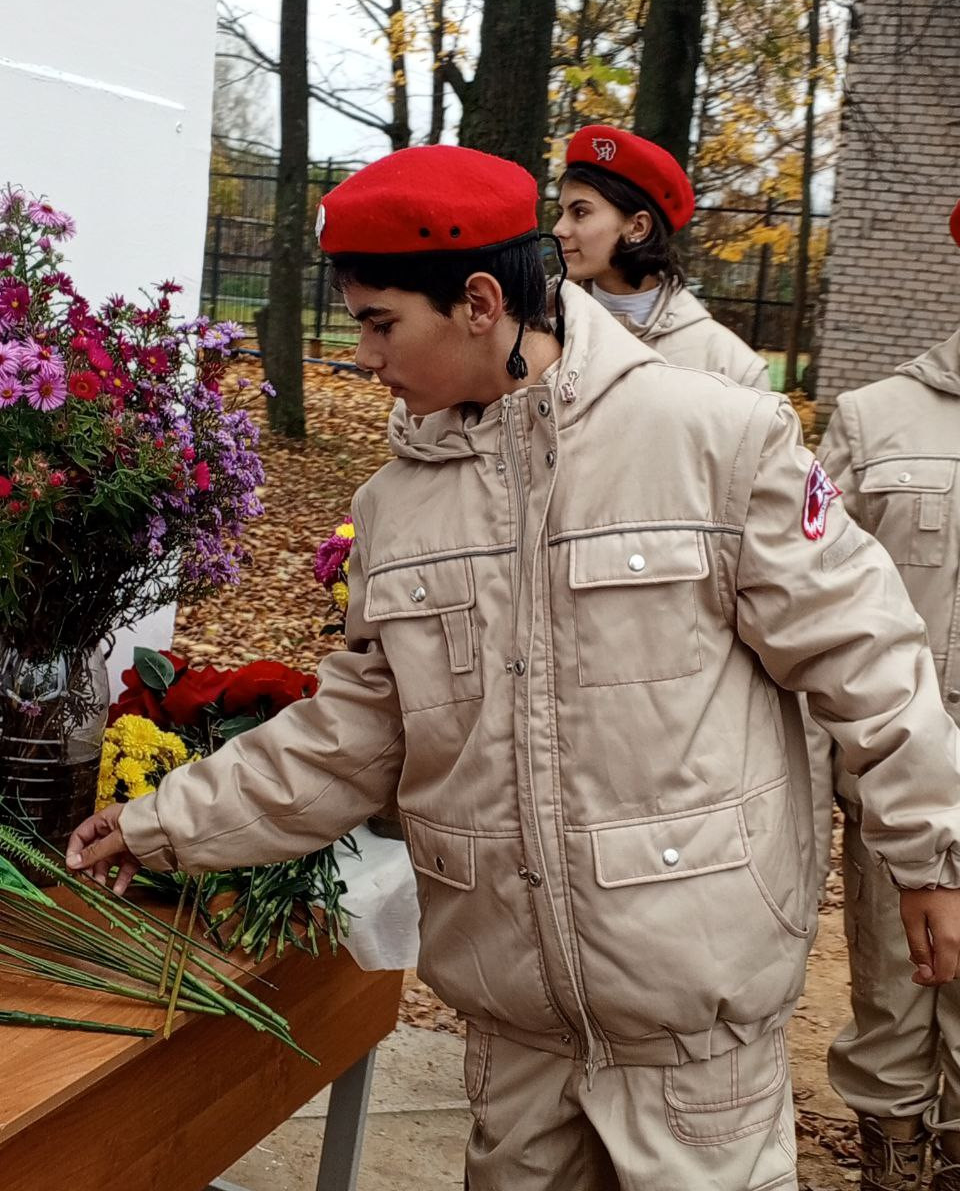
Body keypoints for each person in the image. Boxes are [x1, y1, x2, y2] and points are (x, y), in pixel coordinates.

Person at [68, 147, 960, 1191]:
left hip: (695, 1038)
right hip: (514, 1031)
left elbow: (868, 654)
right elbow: (354, 732)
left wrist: (932, 856)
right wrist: (161, 823)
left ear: (482, 301)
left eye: (380, 322)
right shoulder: (394, 508)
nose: (363, 356)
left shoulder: (714, 436)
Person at [809, 199, 960, 1191]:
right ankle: (895, 1159)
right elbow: (809, 597)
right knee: (899, 1003)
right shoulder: (877, 416)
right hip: (904, 777)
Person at [553, 123, 771, 389]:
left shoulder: (729, 368)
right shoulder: (538, 330)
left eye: (580, 212)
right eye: (560, 212)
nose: (559, 229)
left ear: (638, 227)